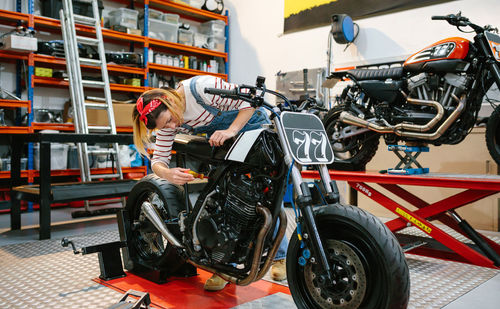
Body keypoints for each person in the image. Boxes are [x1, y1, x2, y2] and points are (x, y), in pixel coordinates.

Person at [132, 75, 287, 291]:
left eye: (170, 120)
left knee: (263, 196)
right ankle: (226, 266)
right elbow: (158, 160)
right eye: (166, 125)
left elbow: (249, 101)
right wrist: (167, 174)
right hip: (223, 143)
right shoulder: (166, 120)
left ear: (170, 100)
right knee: (224, 198)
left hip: (253, 130)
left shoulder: (201, 89)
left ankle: (280, 256)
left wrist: (231, 130)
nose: (173, 125)